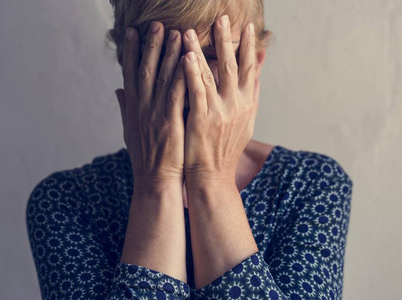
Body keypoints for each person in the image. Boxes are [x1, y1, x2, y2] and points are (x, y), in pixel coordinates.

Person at [26, 0, 353, 299]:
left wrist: (212, 179)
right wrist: (158, 184)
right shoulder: (67, 201)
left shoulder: (310, 185)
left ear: (255, 62)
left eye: (213, 55)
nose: (188, 77)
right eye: (162, 53)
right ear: (127, 60)